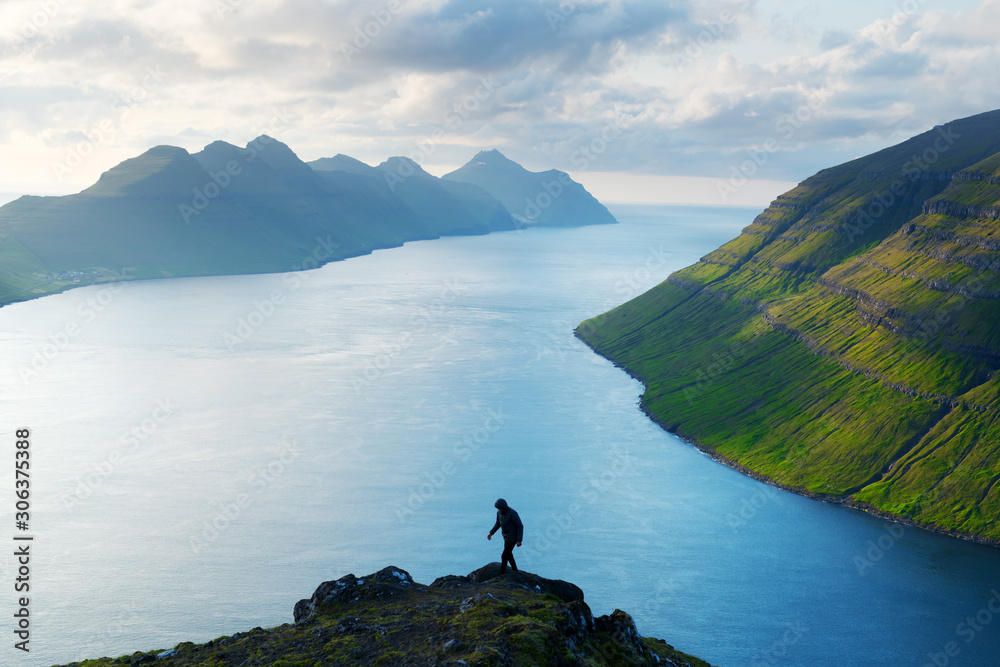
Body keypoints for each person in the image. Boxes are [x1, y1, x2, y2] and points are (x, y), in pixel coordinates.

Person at [487, 498, 523, 574]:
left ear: (504, 507)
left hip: (513, 537)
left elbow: (520, 526)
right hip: (506, 537)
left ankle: (502, 573)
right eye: (498, 509)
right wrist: (491, 533)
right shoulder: (499, 513)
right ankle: (515, 570)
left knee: (504, 555)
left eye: (500, 508)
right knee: (509, 554)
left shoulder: (512, 513)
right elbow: (498, 523)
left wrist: (519, 540)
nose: (499, 510)